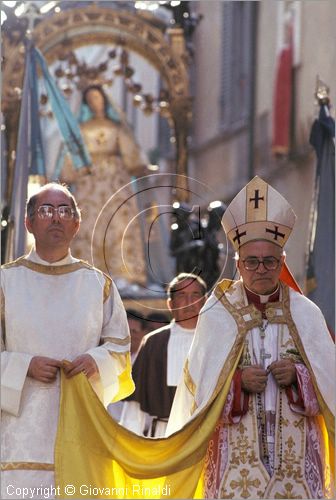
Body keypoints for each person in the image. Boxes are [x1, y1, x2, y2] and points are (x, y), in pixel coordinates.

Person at [166, 176, 334, 499]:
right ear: (239, 265)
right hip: (234, 461)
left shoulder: (306, 314)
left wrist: (299, 377)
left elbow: (332, 390)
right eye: (252, 262)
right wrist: (237, 384)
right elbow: (198, 397)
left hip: (297, 464)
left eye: (270, 261)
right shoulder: (217, 315)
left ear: (282, 262)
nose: (261, 269)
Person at [1, 183, 133, 498]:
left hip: (82, 430)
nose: (56, 218)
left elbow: (120, 350)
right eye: (46, 211)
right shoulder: (6, 282)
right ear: (29, 223)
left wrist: (96, 361)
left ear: (77, 223)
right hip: (18, 436)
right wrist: (24, 365)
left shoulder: (97, 284)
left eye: (64, 211)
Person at [61, 84, 147, 288]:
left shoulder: (117, 128)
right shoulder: (81, 130)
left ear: (104, 100)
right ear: (86, 103)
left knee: (119, 224)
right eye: (90, 98)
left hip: (114, 181)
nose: (95, 102)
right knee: (88, 225)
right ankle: (88, 271)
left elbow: (132, 157)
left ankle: (122, 274)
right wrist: (70, 173)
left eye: (97, 97)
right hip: (89, 182)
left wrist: (139, 165)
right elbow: (73, 157)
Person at [120, 273, 207, 437]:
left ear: (205, 301)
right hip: (163, 435)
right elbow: (135, 406)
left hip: (206, 434)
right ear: (170, 304)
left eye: (195, 295)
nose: (189, 302)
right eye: (182, 295)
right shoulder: (154, 342)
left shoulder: (216, 342)